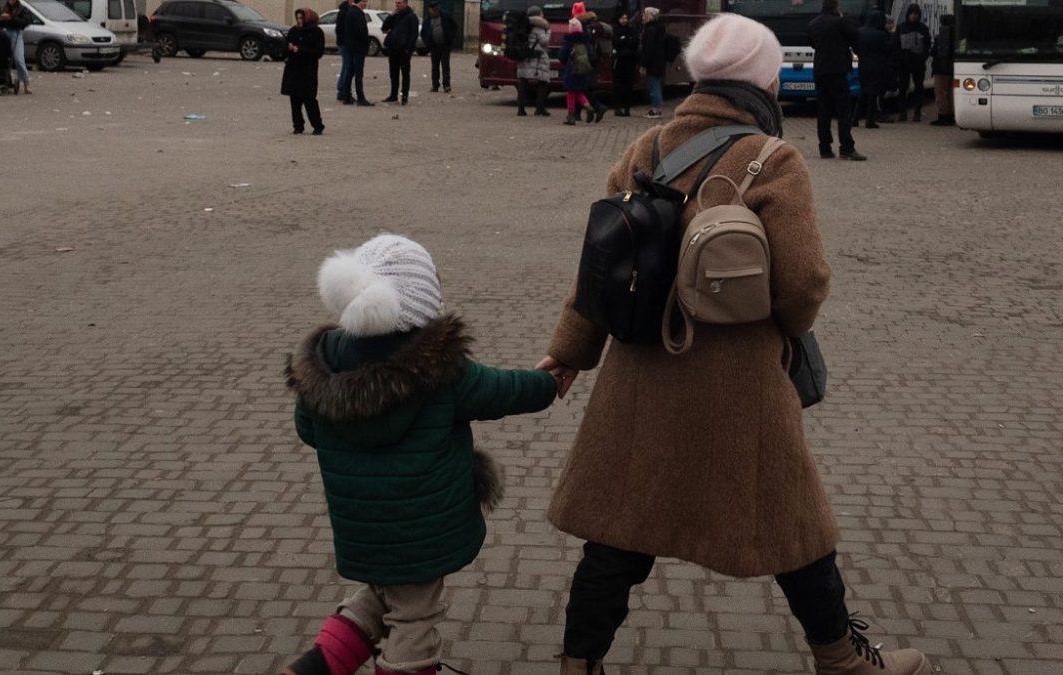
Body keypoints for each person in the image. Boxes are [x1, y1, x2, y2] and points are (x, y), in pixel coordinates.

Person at [538, 13, 933, 675]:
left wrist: (570, 352)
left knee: (617, 533)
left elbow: (599, 268)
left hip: (641, 376)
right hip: (742, 383)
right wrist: (785, 330)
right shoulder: (772, 159)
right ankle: (842, 659)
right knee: (794, 525)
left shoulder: (644, 150)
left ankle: (578, 664)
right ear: (764, 81)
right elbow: (803, 283)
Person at [281, 234, 558, 675]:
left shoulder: (323, 364)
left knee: (381, 596)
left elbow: (307, 429)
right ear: (421, 300)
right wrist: (549, 383)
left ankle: (312, 669)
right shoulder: (439, 368)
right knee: (414, 617)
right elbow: (503, 391)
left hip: (362, 527)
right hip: (422, 529)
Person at [807, 0, 866, 160]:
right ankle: (846, 147)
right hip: (837, 70)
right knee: (843, 110)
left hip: (819, 70)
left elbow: (812, 43)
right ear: (836, 6)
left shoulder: (813, 23)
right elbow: (856, 34)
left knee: (823, 110)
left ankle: (825, 148)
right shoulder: (839, 22)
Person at [281, 8, 325, 135]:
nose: (299, 21)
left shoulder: (316, 32)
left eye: (302, 18)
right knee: (294, 100)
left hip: (308, 70)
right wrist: (288, 48)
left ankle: (317, 125)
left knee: (309, 99)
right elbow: (285, 48)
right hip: (293, 69)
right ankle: (298, 125)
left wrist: (300, 50)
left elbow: (318, 52)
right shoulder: (293, 31)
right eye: (298, 18)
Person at [852, 9, 896, 128]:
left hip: (863, 66)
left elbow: (855, 48)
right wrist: (892, 35)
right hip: (877, 66)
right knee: (873, 94)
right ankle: (869, 120)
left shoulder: (859, 32)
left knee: (863, 92)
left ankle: (854, 118)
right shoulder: (880, 34)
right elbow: (887, 48)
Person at [893, 3, 931, 122]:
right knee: (902, 88)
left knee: (918, 87)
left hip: (918, 63)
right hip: (903, 63)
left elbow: (927, 45)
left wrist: (922, 57)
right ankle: (902, 112)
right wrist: (899, 58)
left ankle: (917, 112)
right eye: (911, 14)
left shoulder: (923, 28)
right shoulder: (901, 27)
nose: (913, 16)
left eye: (916, 14)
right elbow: (896, 44)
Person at [558, 18, 600, 125]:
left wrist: (564, 62)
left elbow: (562, 56)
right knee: (578, 91)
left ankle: (571, 116)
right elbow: (591, 54)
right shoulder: (585, 40)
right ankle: (588, 107)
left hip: (571, 69)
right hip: (582, 69)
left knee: (570, 93)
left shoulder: (569, 41)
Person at [574, 3, 610, 120]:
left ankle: (597, 107)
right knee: (581, 86)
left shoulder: (581, 25)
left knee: (581, 86)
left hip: (584, 59)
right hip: (592, 58)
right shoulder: (595, 25)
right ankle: (578, 113)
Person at [515, 5, 551, 116]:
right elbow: (544, 42)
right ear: (538, 14)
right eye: (541, 13)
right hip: (538, 58)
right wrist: (548, 32)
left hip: (524, 56)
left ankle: (521, 109)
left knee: (523, 81)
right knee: (543, 82)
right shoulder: (539, 27)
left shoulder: (524, 26)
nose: (543, 15)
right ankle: (539, 108)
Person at [381, 0, 419, 105]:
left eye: (399, 3)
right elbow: (384, 28)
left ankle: (404, 96)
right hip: (393, 49)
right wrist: (391, 15)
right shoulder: (395, 16)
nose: (397, 5)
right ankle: (393, 95)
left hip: (404, 50)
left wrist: (408, 49)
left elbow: (413, 34)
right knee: (393, 73)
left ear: (405, 3)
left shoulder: (411, 17)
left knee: (405, 74)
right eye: (396, 3)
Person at [340, 0, 374, 106]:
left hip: (351, 46)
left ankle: (346, 96)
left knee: (350, 71)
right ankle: (360, 97)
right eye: (364, 1)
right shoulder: (357, 13)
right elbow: (360, 31)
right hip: (358, 47)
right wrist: (367, 41)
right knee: (358, 73)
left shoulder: (350, 12)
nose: (365, 4)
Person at [0, 0, 31, 95]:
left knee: (19, 59)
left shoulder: (22, 9)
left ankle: (26, 82)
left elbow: (26, 22)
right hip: (4, 34)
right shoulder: (2, 8)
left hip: (17, 34)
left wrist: (11, 18)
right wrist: (0, 19)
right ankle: (1, 79)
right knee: (2, 58)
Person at [420, 1, 456, 93]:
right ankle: (435, 85)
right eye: (432, 10)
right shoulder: (427, 20)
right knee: (435, 67)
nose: (434, 11)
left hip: (445, 46)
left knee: (445, 66)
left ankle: (446, 85)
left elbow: (454, 27)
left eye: (436, 9)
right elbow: (423, 33)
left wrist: (450, 38)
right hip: (434, 46)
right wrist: (428, 43)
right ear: (430, 10)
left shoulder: (446, 17)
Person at [639, 7, 666, 119]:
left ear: (650, 16)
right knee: (656, 84)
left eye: (645, 14)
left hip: (653, 63)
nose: (642, 17)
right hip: (659, 61)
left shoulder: (650, 30)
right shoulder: (659, 28)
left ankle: (656, 109)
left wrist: (644, 64)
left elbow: (648, 48)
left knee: (653, 85)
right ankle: (657, 108)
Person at [611, 11, 639, 117]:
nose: (624, 20)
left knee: (628, 85)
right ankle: (617, 107)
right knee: (618, 85)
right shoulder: (615, 30)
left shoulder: (632, 29)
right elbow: (616, 42)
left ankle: (627, 108)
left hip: (630, 61)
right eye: (622, 18)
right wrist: (626, 40)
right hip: (619, 61)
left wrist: (624, 40)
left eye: (626, 18)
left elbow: (635, 42)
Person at [929, 14, 955, 126]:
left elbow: (934, 52)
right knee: (951, 92)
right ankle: (951, 115)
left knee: (940, 92)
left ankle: (942, 115)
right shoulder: (957, 35)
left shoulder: (941, 35)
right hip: (953, 67)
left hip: (940, 68)